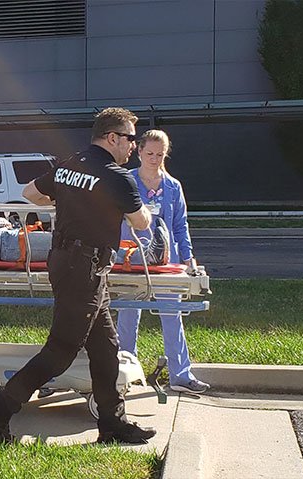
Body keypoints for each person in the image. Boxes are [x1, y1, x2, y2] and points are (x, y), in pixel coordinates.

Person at [0, 107, 158, 445]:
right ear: (112, 138)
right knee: (60, 350)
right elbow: (141, 222)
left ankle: (112, 424)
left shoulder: (70, 164)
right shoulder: (117, 176)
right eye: (131, 138)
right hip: (84, 267)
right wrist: (139, 207)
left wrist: (67, 202)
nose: (134, 146)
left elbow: (31, 193)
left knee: (106, 348)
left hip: (69, 261)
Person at [116, 130, 209, 394]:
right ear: (140, 152)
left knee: (172, 315)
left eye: (159, 154)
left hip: (167, 263)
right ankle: (124, 375)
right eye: (149, 154)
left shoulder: (172, 186)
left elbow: (180, 226)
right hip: (131, 260)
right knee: (127, 315)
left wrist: (189, 259)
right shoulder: (127, 181)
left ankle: (180, 375)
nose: (154, 159)